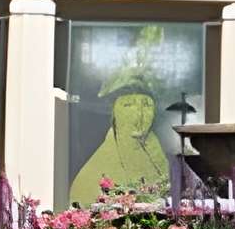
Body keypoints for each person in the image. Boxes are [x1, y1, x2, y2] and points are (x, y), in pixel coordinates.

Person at [70, 68, 172, 205]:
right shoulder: (92, 174)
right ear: (114, 113)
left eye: (146, 104)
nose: (139, 114)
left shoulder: (158, 157)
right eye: (128, 105)